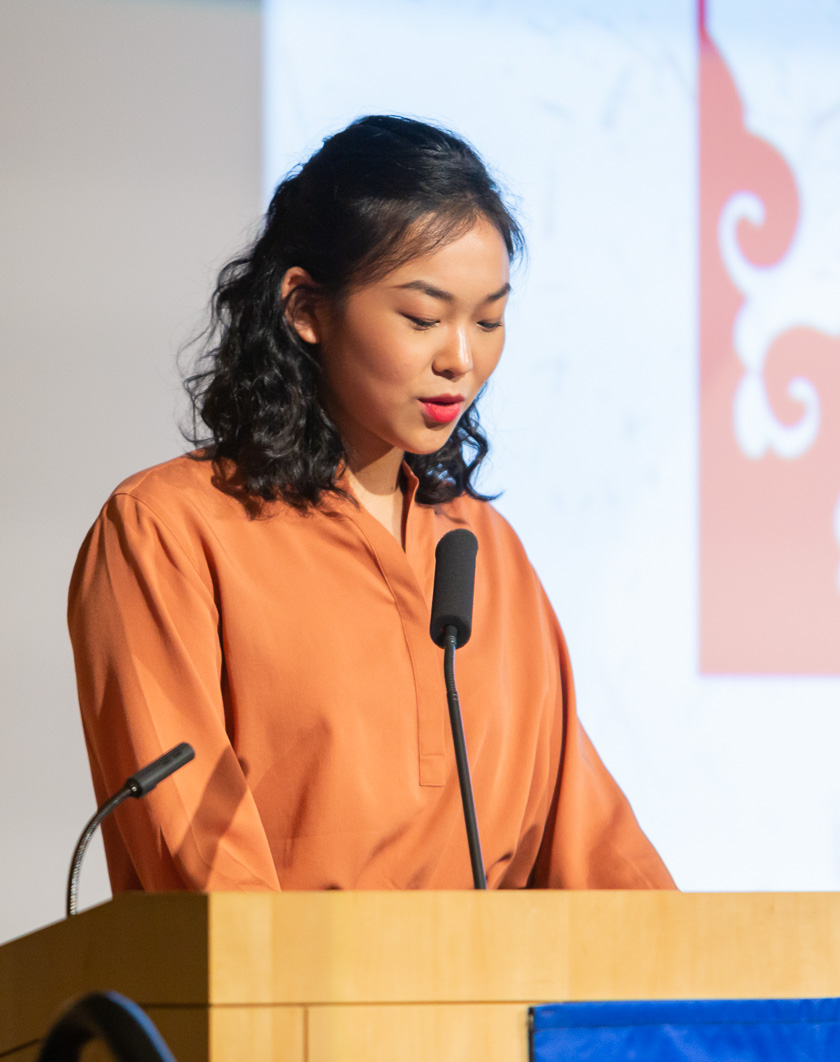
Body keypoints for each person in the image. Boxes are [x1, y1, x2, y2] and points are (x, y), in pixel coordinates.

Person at [68, 116, 674, 893]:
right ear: (305, 309)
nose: (461, 357)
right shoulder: (167, 532)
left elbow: (599, 859)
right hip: (284, 1010)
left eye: (488, 320)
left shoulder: (485, 551)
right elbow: (199, 871)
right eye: (423, 319)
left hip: (493, 1013)